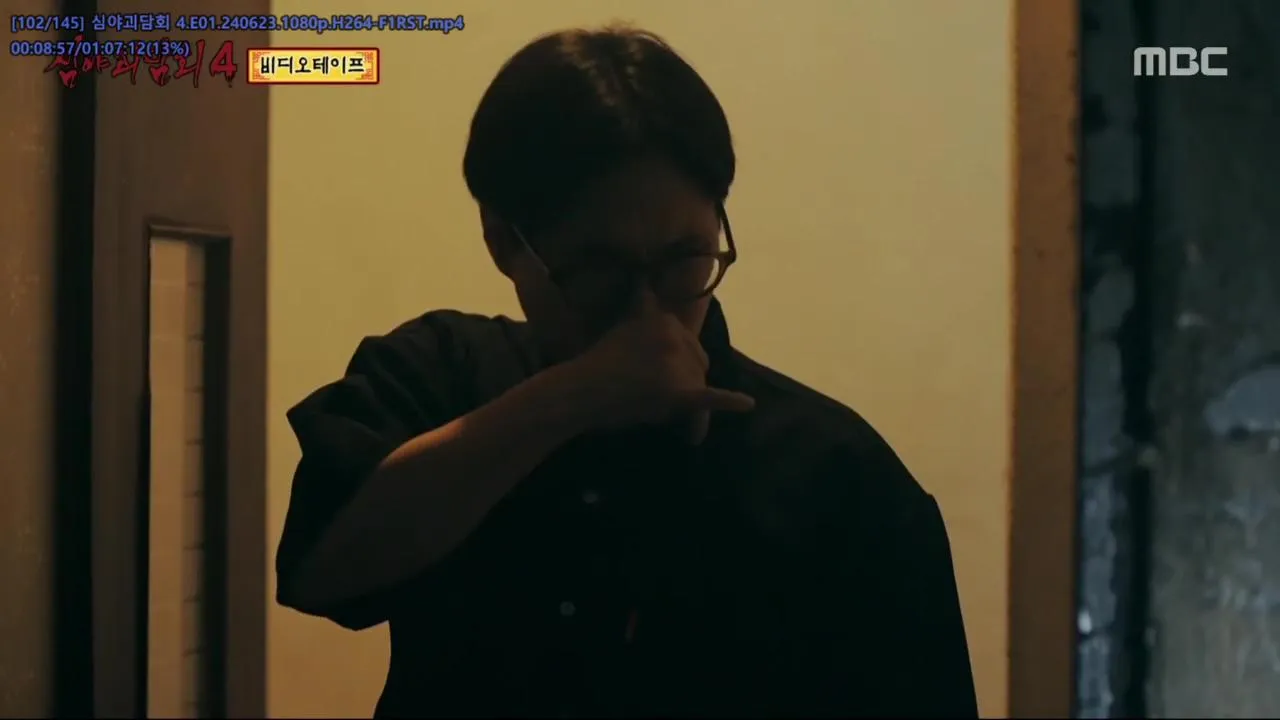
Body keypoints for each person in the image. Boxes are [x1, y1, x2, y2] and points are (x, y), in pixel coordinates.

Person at [276, 25, 978, 718]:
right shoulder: (439, 373)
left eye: (685, 261)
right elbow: (323, 574)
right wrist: (569, 400)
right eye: (598, 269)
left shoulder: (841, 473)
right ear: (503, 243)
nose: (647, 311)